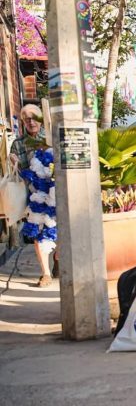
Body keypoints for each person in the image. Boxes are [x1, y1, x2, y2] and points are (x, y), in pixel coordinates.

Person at [10, 104, 55, 287]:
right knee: (37, 232)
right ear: (22, 122)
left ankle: (59, 259)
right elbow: (19, 171)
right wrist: (14, 162)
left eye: (33, 117)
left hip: (55, 192)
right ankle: (46, 273)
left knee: (57, 231)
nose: (30, 121)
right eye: (26, 118)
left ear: (41, 119)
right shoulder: (18, 143)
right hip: (35, 194)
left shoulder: (51, 137)